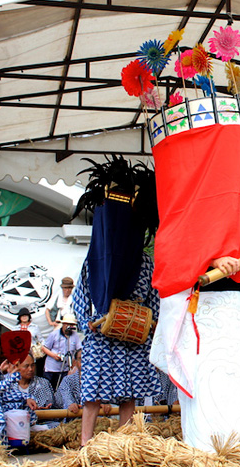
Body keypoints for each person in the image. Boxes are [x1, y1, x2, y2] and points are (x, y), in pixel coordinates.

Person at [149, 121, 240, 452]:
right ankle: (205, 454)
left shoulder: (239, 210)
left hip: (236, 313)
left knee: (235, 387)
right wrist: (208, 262)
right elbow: (175, 254)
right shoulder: (184, 209)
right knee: (206, 390)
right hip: (202, 311)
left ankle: (236, 452)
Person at [72, 156, 162, 446]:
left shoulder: (146, 264)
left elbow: (154, 300)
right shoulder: (92, 262)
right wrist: (88, 323)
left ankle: (124, 441)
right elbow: (79, 300)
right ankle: (86, 442)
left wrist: (146, 323)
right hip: (100, 332)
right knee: (93, 392)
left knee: (130, 392)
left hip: (133, 334)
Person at [41, 314, 82, 390]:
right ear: (63, 324)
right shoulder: (54, 334)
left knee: (62, 389)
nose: (69, 326)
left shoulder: (75, 335)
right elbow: (44, 348)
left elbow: (79, 349)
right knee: (49, 389)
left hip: (65, 369)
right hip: (51, 368)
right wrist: (54, 355)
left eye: (71, 324)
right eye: (67, 324)